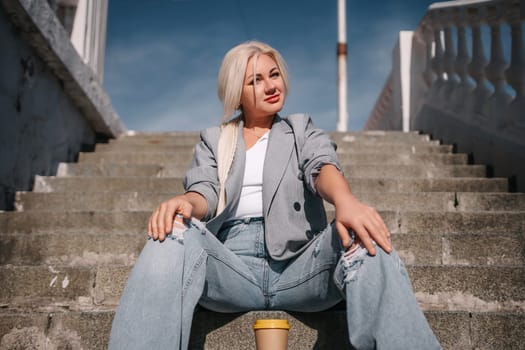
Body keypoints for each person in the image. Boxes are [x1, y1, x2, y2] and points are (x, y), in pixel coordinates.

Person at [108, 41, 442, 350]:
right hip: (231, 269)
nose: (270, 86)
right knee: (170, 232)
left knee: (362, 231)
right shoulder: (215, 138)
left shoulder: (299, 129)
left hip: (300, 268)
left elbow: (321, 164)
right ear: (236, 91)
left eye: (274, 74)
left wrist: (345, 202)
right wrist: (185, 204)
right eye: (255, 80)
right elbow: (204, 191)